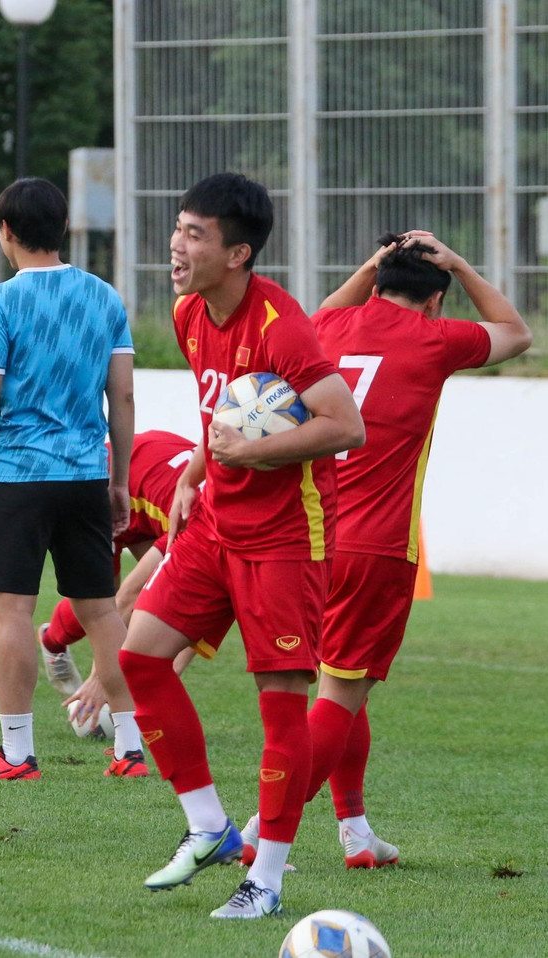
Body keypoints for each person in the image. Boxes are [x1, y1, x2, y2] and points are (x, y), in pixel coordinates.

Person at [234, 232, 531, 870]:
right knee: (343, 691)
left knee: (345, 684)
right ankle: (264, 828)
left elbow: (313, 317)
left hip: (311, 536)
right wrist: (457, 263)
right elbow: (515, 332)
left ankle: (356, 830)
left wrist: (371, 264)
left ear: (373, 282)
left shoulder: (332, 325)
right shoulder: (437, 338)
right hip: (379, 546)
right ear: (438, 299)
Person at [117, 172, 364, 919]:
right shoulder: (191, 310)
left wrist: (252, 456)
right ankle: (209, 829)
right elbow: (220, 410)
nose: (177, 244)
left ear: (239, 253)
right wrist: (195, 469)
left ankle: (267, 881)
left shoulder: (283, 327)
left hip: (285, 542)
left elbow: (345, 425)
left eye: (196, 234)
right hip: (214, 527)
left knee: (282, 708)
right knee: (139, 658)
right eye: (178, 228)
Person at [0, 178, 141, 780]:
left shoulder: (0, 303)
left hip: (20, 475)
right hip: (85, 475)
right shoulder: (104, 297)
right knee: (101, 612)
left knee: (13, 614)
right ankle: (130, 749)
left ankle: (17, 753)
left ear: (5, 232)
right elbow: (122, 394)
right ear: (63, 227)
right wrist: (120, 478)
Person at [39, 430, 200, 717]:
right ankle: (52, 640)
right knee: (102, 600)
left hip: (151, 487)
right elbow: (128, 596)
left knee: (170, 598)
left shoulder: (218, 536)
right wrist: (102, 678)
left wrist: (156, 684)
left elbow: (199, 617)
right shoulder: (199, 525)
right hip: (109, 484)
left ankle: (134, 694)